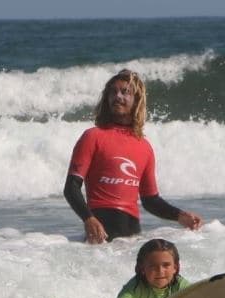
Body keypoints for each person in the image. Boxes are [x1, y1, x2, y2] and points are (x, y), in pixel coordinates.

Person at [64, 69, 203, 243]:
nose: (118, 96)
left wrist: (180, 216)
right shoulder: (93, 136)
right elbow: (71, 188)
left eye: (125, 92)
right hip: (100, 240)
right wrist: (88, 219)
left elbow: (150, 200)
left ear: (136, 100)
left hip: (133, 240)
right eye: (113, 92)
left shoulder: (144, 147)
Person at [82, 238, 190, 298]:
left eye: (166, 265)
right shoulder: (135, 287)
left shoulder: (181, 285)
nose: (160, 271)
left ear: (175, 268)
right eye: (153, 266)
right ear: (142, 268)